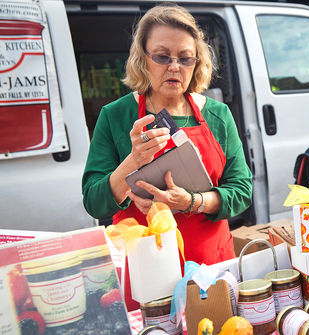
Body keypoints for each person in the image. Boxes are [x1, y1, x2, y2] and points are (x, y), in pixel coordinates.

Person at [82, 5, 252, 265]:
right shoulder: (115, 115)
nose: (174, 67)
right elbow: (94, 202)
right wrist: (133, 162)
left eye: (185, 58)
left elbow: (241, 190)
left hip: (211, 266)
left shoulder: (218, 115)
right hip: (146, 267)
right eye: (162, 57)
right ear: (143, 59)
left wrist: (193, 202)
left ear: (197, 63)